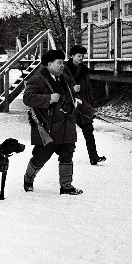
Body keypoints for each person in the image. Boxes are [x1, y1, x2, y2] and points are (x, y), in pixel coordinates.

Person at [22, 48, 83, 196]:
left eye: (63, 62)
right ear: (49, 64)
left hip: (66, 125)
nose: (62, 65)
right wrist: (48, 99)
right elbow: (27, 98)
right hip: (47, 127)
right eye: (59, 63)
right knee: (41, 156)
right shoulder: (37, 79)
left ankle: (66, 187)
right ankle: (28, 179)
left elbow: (69, 98)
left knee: (67, 154)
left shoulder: (65, 79)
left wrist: (76, 102)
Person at [64, 45, 106, 166]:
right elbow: (59, 88)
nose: (81, 58)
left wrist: (91, 106)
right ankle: (66, 159)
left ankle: (94, 157)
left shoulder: (85, 70)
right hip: (70, 106)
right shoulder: (64, 70)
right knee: (68, 134)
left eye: (83, 56)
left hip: (84, 105)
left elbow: (89, 90)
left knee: (89, 131)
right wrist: (72, 89)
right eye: (79, 56)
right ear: (72, 56)